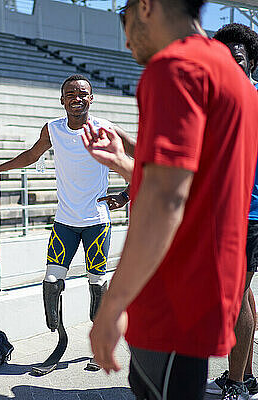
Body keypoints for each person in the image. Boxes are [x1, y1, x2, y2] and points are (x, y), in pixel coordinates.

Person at [83, 0, 258, 398]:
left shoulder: (174, 68)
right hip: (205, 285)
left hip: (172, 290)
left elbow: (165, 202)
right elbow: (201, 186)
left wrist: (110, 309)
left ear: (146, 6)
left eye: (123, 21)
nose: (125, 41)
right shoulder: (231, 76)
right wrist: (130, 166)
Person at [0, 74, 134, 373]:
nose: (76, 98)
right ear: (62, 99)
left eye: (83, 93)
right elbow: (31, 155)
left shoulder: (105, 129)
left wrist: (127, 195)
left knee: (96, 282)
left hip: (97, 222)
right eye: (70, 93)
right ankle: (59, 339)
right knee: (51, 281)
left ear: (91, 98)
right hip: (65, 221)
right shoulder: (53, 129)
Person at [205, 23, 258, 400]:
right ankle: (246, 376)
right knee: (243, 295)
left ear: (251, 62)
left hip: (247, 215)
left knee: (233, 299)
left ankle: (237, 385)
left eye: (237, 59)